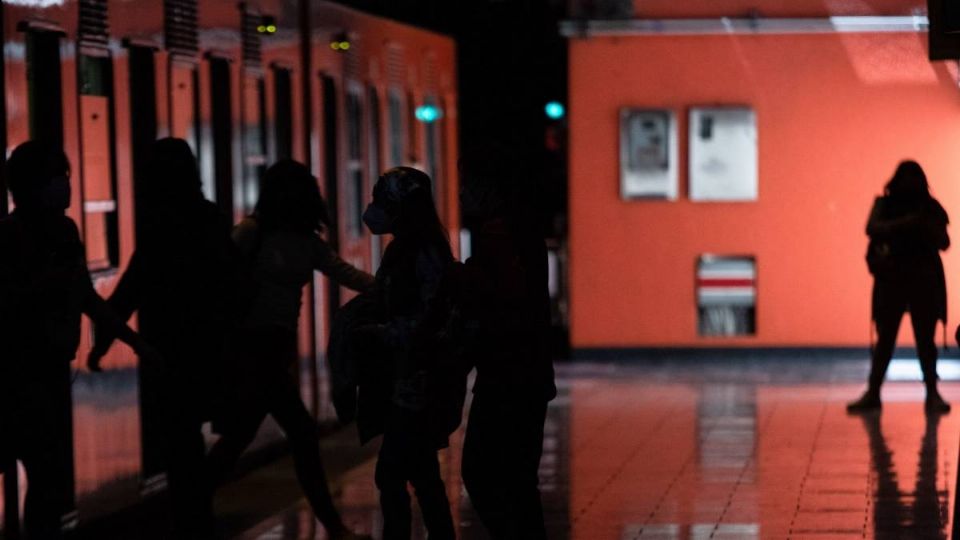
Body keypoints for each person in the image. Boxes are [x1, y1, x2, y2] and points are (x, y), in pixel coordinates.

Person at [205, 159, 374, 540]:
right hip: (252, 349)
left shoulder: (304, 242)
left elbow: (343, 271)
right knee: (301, 434)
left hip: (276, 350)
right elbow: (221, 279)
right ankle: (333, 526)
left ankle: (191, 508)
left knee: (242, 436)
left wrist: (385, 288)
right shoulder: (251, 232)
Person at [0, 140, 160, 538]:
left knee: (48, 477)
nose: (66, 186)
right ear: (31, 186)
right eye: (57, 178)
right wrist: (43, 286)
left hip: (52, 370)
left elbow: (86, 296)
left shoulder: (66, 232)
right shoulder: (9, 237)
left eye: (65, 177)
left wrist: (132, 342)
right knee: (42, 471)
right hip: (16, 373)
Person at [87, 138, 236, 537]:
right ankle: (197, 516)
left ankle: (191, 519)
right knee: (197, 440)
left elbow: (132, 286)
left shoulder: (158, 226)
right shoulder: (211, 219)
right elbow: (233, 287)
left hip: (166, 351)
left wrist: (103, 340)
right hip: (207, 347)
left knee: (180, 441)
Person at [457, 143, 556, 539]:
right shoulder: (524, 226)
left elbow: (502, 299)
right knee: (520, 481)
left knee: (480, 473)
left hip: (506, 374)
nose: (462, 190)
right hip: (530, 372)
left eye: (468, 181)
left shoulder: (498, 233)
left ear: (489, 186)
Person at [360, 167, 459, 540]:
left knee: (391, 471)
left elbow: (429, 315)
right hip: (408, 374)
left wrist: (385, 333)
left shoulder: (423, 253)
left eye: (381, 201)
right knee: (422, 471)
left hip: (419, 377)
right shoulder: (407, 247)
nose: (374, 209)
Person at [848, 161, 950, 413]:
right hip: (894, 280)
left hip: (919, 282)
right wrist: (909, 223)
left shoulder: (928, 208)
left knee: (924, 341)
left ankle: (930, 393)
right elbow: (871, 228)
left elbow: (943, 241)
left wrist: (919, 225)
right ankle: (875, 392)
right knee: (888, 340)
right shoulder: (887, 205)